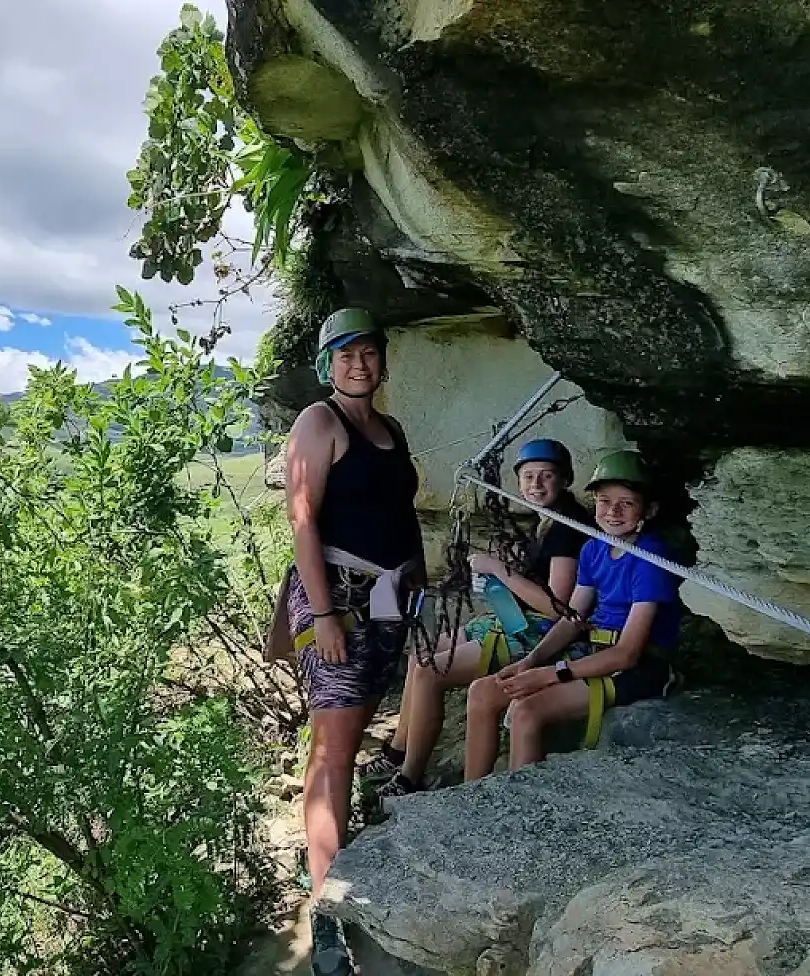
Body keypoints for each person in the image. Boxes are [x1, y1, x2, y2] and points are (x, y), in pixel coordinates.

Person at [283, 307, 425, 976]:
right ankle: (329, 914)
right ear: (326, 364)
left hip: (390, 599)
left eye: (368, 352)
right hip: (337, 599)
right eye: (345, 354)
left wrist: (422, 587)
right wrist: (320, 614)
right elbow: (304, 520)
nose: (359, 364)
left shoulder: (388, 429)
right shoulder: (320, 422)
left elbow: (401, 517)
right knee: (333, 755)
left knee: (351, 736)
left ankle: (326, 848)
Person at [363, 439, 594, 796]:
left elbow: (557, 608)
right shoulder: (549, 520)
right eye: (529, 477)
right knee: (420, 655)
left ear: (565, 480)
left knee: (429, 669)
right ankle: (397, 752)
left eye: (546, 476)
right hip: (520, 621)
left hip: (540, 633)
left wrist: (501, 571)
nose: (536, 485)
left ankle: (410, 776)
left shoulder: (567, 528)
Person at [463, 450, 682, 778]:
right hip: (593, 650)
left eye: (627, 502)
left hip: (639, 666)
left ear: (648, 510)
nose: (613, 511)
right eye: (604, 501)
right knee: (482, 691)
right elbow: (572, 617)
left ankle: (519, 814)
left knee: (526, 710)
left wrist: (550, 674)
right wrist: (532, 661)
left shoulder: (650, 558)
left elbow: (627, 654)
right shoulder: (595, 547)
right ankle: (471, 797)